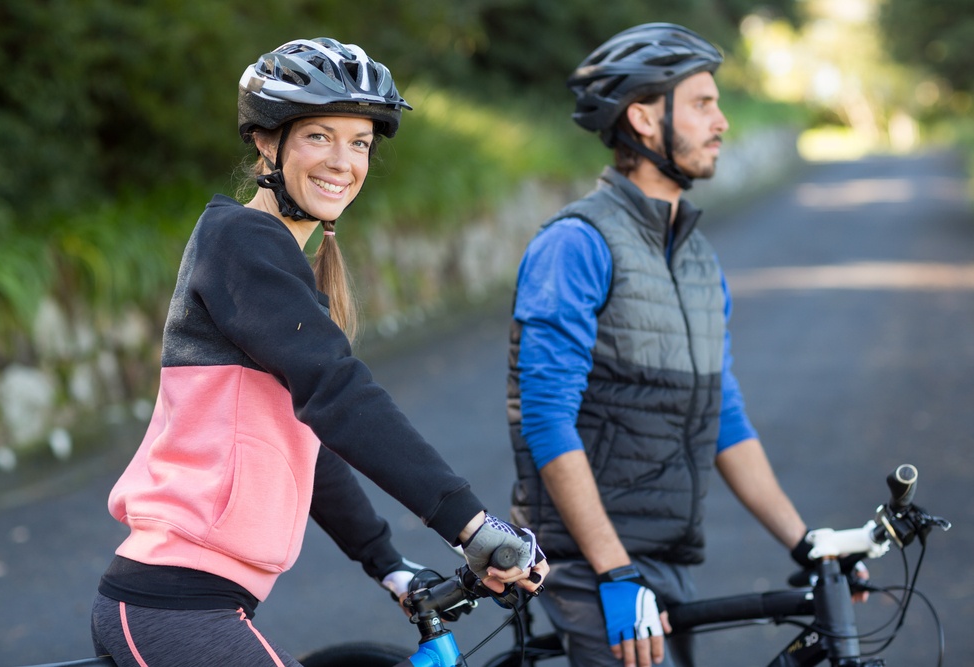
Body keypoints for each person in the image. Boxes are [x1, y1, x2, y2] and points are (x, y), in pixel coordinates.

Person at [90, 37, 547, 667]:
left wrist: (387, 563)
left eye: (359, 142)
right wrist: (472, 525)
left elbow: (307, 442)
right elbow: (338, 391)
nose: (343, 161)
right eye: (318, 136)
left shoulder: (274, 263)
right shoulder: (242, 242)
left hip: (203, 605)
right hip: (172, 605)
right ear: (266, 141)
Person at [506, 23, 860, 667]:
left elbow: (725, 418)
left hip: (667, 559)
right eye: (702, 103)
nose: (721, 121)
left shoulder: (698, 260)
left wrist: (805, 544)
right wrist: (613, 571)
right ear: (642, 119)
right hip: (592, 564)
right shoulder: (576, 244)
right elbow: (546, 419)